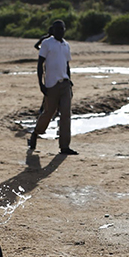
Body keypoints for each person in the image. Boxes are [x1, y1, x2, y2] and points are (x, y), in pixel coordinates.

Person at [28, 20, 76, 155]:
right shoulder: (47, 43)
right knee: (49, 113)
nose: (60, 31)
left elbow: (67, 65)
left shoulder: (66, 45)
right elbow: (40, 64)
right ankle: (36, 133)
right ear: (53, 30)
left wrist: (69, 80)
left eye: (62, 29)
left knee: (66, 115)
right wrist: (41, 84)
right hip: (51, 85)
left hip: (65, 84)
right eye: (57, 29)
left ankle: (64, 147)